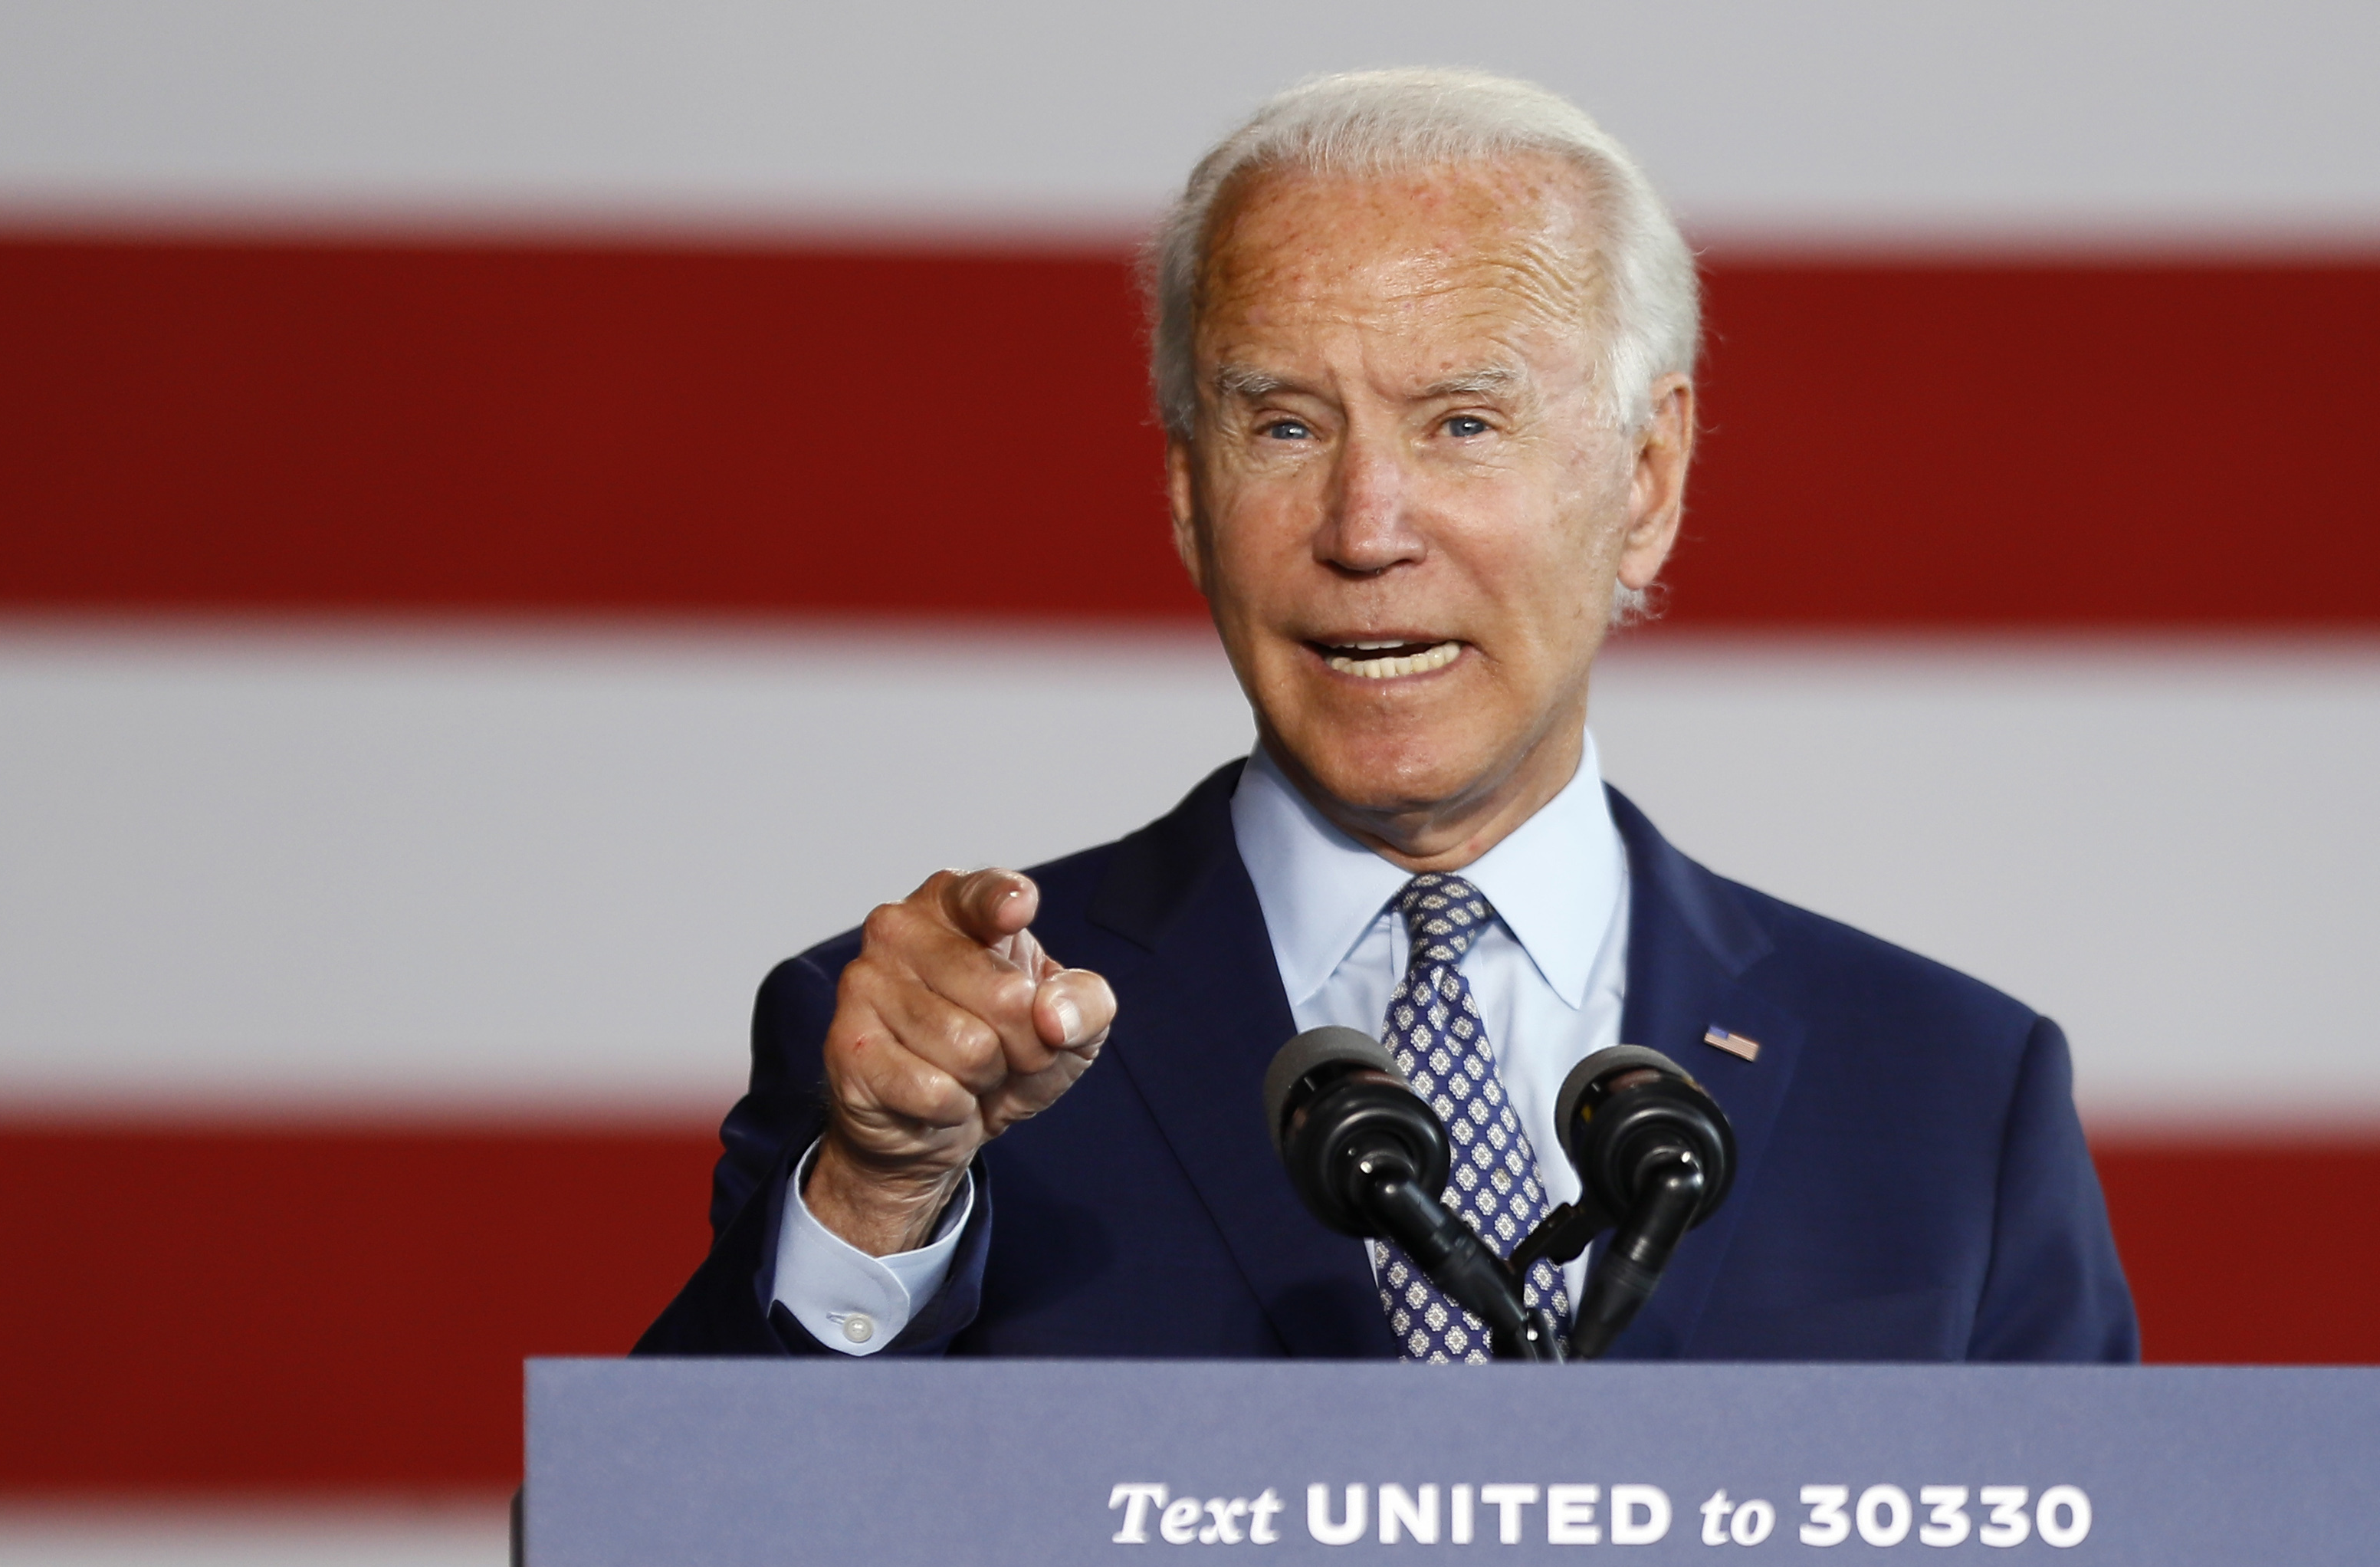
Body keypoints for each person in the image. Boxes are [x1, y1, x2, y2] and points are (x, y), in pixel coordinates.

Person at [634, 67, 2137, 1369]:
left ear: (1646, 479)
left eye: (1460, 424)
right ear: (1184, 491)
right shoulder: (927, 1064)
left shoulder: (1948, 1098)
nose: (1364, 526)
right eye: (1282, 425)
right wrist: (879, 1198)